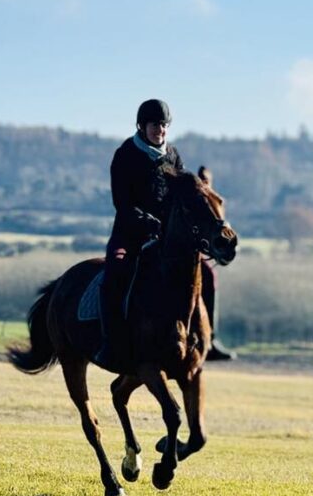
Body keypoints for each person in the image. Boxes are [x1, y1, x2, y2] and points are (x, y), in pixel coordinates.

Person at [94, 99, 235, 371]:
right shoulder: (125, 155)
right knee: (115, 272)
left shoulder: (173, 154)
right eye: (155, 124)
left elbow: (181, 195)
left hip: (166, 237)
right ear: (142, 126)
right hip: (129, 234)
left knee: (208, 274)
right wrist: (148, 223)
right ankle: (110, 344)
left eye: (164, 125)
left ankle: (209, 339)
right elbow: (122, 203)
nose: (160, 130)